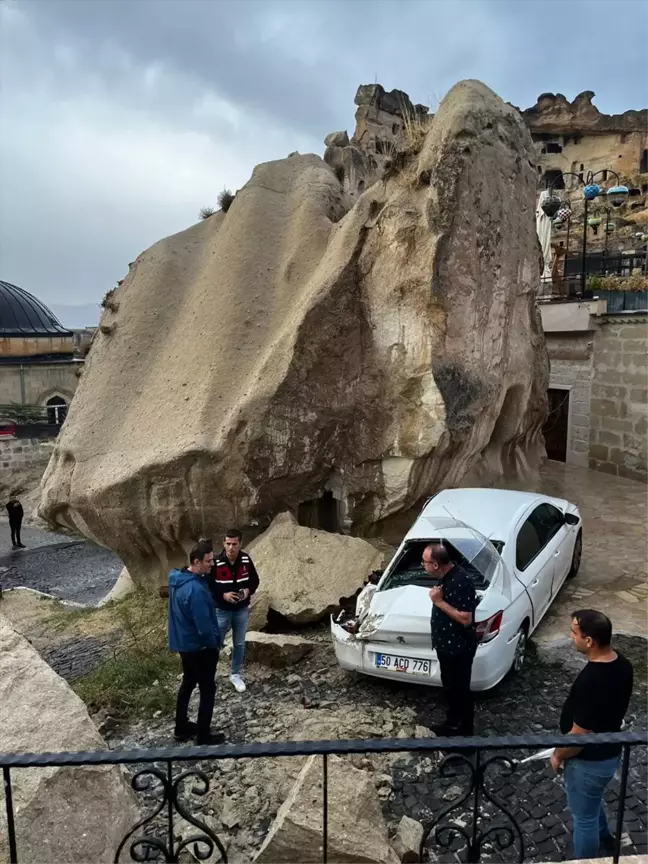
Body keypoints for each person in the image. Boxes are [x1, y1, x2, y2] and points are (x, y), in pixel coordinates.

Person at [551, 610, 633, 860]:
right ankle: (606, 838)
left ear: (589, 641)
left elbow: (579, 736)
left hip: (588, 761)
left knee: (583, 818)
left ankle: (587, 859)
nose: (570, 636)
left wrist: (558, 755)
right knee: (592, 800)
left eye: (574, 632)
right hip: (610, 752)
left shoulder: (592, 680)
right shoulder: (623, 664)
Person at [168, 540, 225, 745]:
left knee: (188, 682)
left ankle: (181, 727)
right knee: (208, 689)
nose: (212, 564)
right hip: (200, 648)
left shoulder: (177, 578)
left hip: (184, 644)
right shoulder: (196, 590)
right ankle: (203, 734)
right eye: (209, 561)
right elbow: (204, 626)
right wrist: (215, 643)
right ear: (197, 562)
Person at [424, 543, 478, 736]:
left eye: (425, 562)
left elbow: (465, 618)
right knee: (450, 689)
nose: (423, 565)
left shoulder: (460, 581)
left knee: (460, 690)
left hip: (458, 647)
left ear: (436, 564)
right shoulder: (445, 578)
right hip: (446, 646)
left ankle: (465, 736)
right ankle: (452, 723)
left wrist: (439, 602)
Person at [209, 528, 260, 693]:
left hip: (241, 609)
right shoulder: (215, 562)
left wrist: (247, 591)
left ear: (240, 544)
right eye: (228, 544)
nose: (231, 548)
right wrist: (223, 595)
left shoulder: (246, 559)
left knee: (239, 643)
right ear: (223, 543)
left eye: (234, 544)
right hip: (221, 610)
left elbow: (255, 580)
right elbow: (209, 585)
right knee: (215, 643)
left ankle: (235, 674)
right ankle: (209, 675)